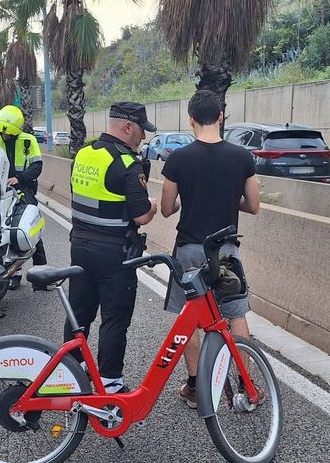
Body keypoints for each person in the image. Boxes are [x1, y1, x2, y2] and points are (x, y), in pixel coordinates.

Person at [160, 89, 261, 408]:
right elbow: (254, 205)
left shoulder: (178, 159)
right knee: (236, 314)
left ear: (190, 119)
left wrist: (189, 197)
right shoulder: (242, 157)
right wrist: (229, 199)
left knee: (189, 319)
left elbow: (166, 208)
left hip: (189, 249)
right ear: (221, 117)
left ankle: (196, 388)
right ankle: (246, 384)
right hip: (226, 250)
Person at [66, 102, 159, 394]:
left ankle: (70, 370)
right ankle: (109, 381)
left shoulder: (84, 153)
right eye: (142, 130)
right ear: (128, 127)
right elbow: (141, 215)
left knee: (79, 313)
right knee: (114, 319)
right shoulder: (127, 163)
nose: (143, 137)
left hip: (79, 246)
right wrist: (153, 205)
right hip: (113, 253)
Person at [0, 105, 47, 288]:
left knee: (29, 228)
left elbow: (37, 166)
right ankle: (14, 273)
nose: (5, 136)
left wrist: (19, 178)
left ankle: (41, 274)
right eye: (3, 133)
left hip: (23, 189)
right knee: (1, 230)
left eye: (8, 134)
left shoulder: (28, 141)